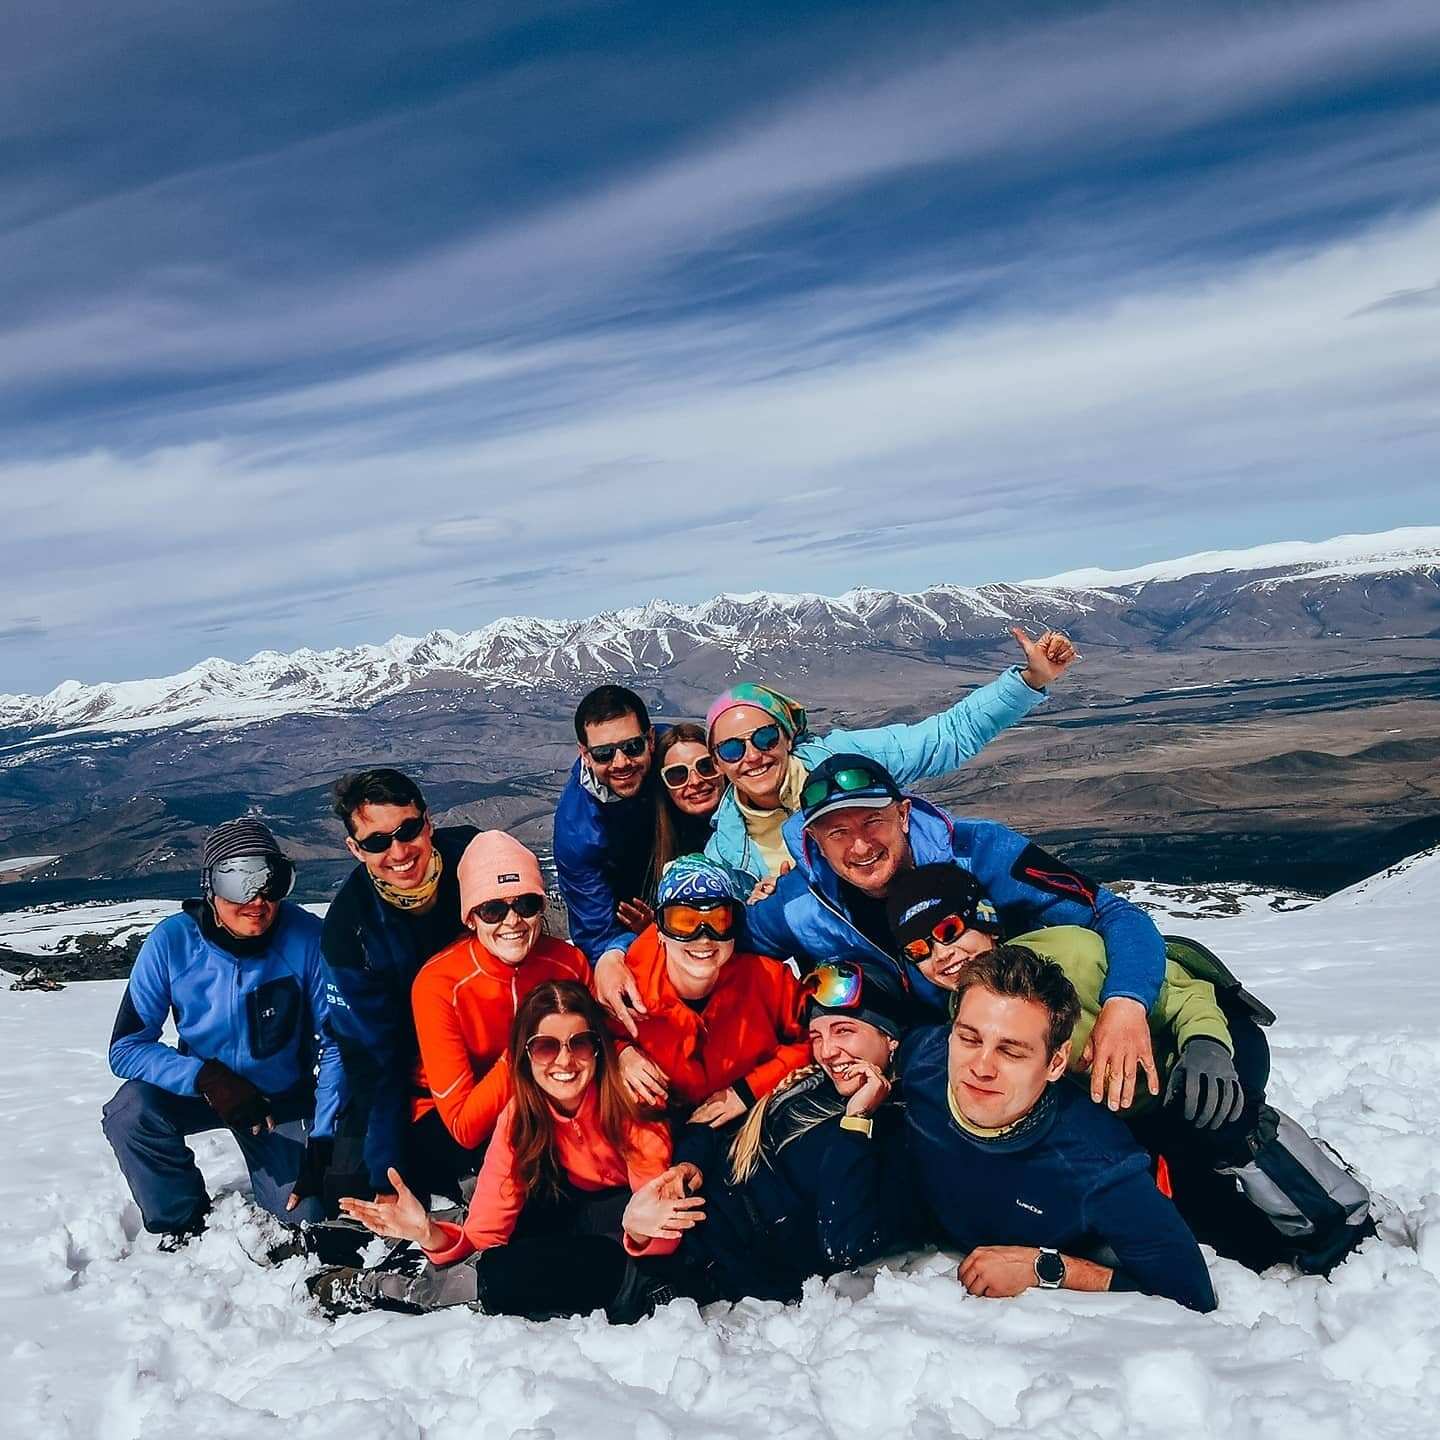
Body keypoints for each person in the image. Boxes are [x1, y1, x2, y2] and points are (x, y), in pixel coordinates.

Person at [737, 753, 1167, 1107]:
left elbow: (1112, 913)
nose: (861, 846)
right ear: (814, 840)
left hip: (1033, 1023)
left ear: (903, 814)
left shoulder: (980, 851)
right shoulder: (801, 904)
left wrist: (1126, 1003)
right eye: (838, 833)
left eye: (873, 822)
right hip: (924, 1051)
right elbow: (719, 941)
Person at [311, 981, 696, 1321]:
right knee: (507, 1224)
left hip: (625, 1251)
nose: (564, 1061)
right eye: (545, 1047)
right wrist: (428, 1233)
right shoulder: (521, 1115)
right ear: (524, 1056)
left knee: (508, 1270)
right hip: (574, 1216)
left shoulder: (634, 1105)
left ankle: (388, 1290)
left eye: (579, 1043)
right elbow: (485, 1234)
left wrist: (639, 1231)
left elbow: (664, 1227)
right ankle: (359, 1244)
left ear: (599, 1048)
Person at [899, 944, 1217, 1312]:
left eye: (1011, 1051)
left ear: (1056, 1062)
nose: (981, 1067)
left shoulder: (1095, 1163)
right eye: (969, 1038)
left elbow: (1189, 1292)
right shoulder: (926, 1061)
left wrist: (1049, 1269)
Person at [102, 819, 343, 1245]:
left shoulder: (308, 939)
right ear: (209, 887)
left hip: (281, 1103)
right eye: (236, 882)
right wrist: (205, 1078)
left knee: (305, 1218)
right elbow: (127, 1047)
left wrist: (323, 1136)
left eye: (271, 881)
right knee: (131, 1111)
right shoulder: (172, 942)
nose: (257, 900)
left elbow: (338, 1043)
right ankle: (182, 1222)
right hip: (204, 1093)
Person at [701, 627, 1076, 884]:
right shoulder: (724, 850)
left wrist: (1030, 680)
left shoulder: (845, 760)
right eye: (732, 748)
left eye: (765, 738)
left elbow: (945, 737)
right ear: (717, 763)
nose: (752, 756)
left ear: (787, 737)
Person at [669, 961, 922, 1303]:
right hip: (673, 1222)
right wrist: (689, 1166)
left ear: (890, 1037)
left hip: (706, 1283)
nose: (827, 1052)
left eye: (844, 1031)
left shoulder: (899, 1127)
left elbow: (845, 1243)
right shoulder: (807, 1083)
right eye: (817, 1036)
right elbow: (707, 1124)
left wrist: (857, 1120)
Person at [320, 768, 477, 1202]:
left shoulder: (474, 860)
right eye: (377, 842)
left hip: (495, 1045)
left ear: (428, 823)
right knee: (353, 1189)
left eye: (408, 830)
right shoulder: (349, 932)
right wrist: (386, 1174)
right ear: (355, 849)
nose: (399, 851)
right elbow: (371, 1058)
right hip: (407, 1068)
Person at [411, 831, 589, 1156]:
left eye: (526, 904)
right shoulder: (439, 984)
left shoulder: (568, 963)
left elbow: (601, 1044)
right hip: (454, 1129)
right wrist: (528, 1047)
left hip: (544, 1104)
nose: (513, 921)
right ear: (471, 919)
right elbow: (463, 1127)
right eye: (493, 910)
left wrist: (624, 1052)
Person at [608, 855, 810, 1125]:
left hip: (753, 1118)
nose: (703, 938)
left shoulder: (768, 980)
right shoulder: (628, 988)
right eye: (683, 922)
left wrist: (748, 1090)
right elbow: (593, 1034)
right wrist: (621, 1053)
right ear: (660, 931)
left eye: (718, 920)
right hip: (662, 1126)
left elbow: (815, 1039)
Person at [552, 685, 662, 981]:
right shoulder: (577, 830)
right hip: (629, 921)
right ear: (585, 755)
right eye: (604, 754)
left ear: (651, 739)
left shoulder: (681, 758)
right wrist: (627, 948)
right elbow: (596, 931)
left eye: (632, 747)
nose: (621, 762)